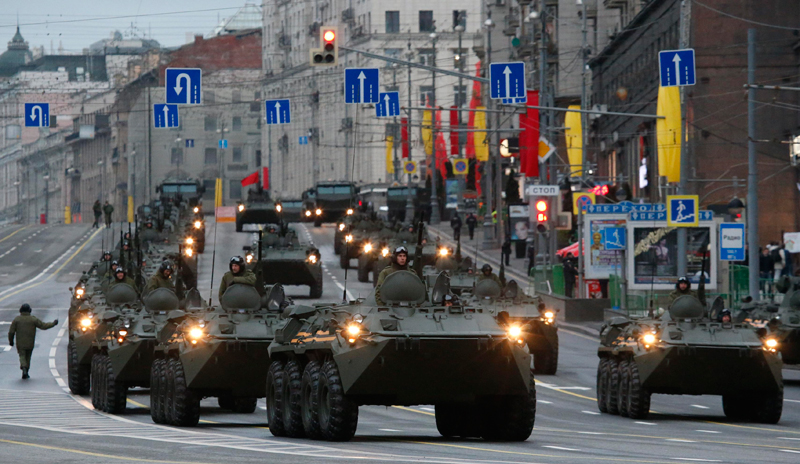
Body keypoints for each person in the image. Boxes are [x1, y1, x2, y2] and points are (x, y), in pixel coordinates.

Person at [8, 304, 58, 379]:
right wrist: (53, 323)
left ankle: (24, 367)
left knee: (22, 355)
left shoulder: (17, 320)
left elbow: (11, 332)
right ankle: (26, 371)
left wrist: (11, 341)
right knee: (28, 357)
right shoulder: (33, 319)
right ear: (29, 310)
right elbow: (43, 326)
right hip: (30, 342)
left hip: (20, 343)